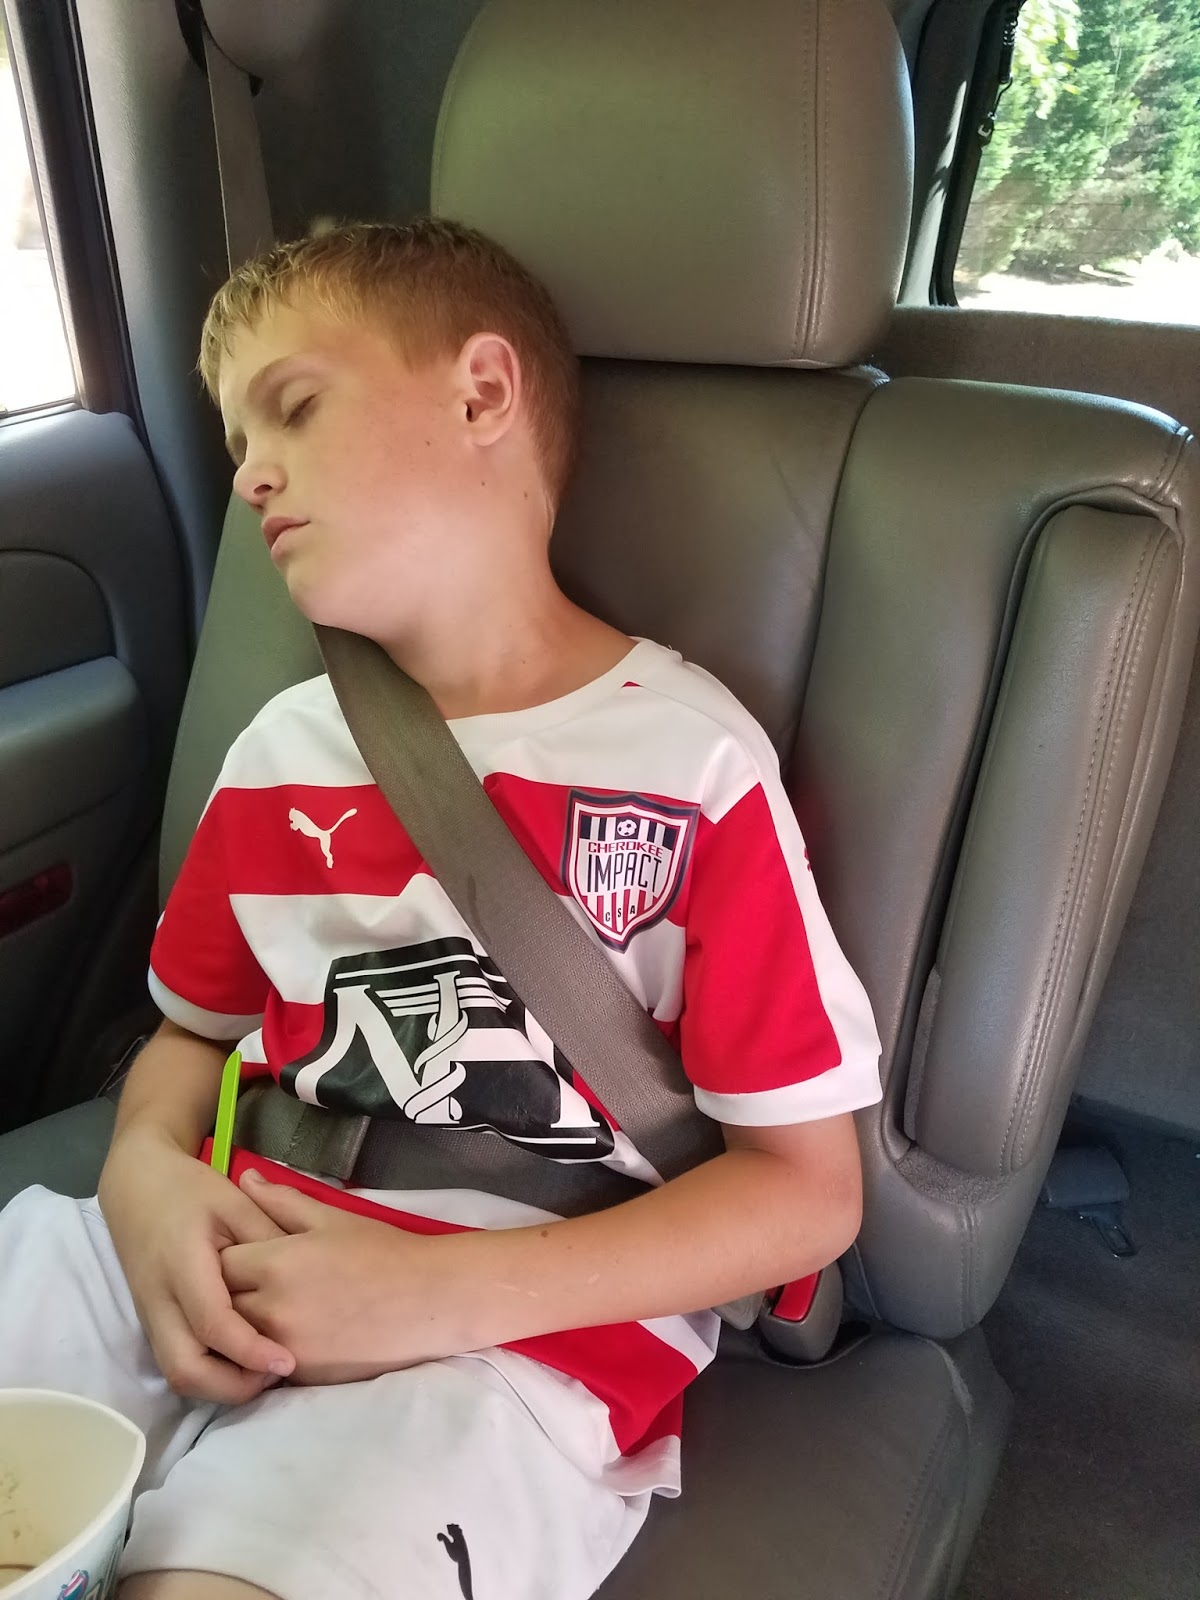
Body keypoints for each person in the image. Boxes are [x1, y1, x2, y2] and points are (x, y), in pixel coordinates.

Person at [0, 218, 882, 1600]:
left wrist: (430, 1294)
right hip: (215, 1242)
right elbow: (186, 1039)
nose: (250, 473)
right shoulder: (280, 753)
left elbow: (806, 1192)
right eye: (237, 439)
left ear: (481, 393)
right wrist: (144, 1177)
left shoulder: (689, 767)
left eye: (294, 406)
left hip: (509, 1335)